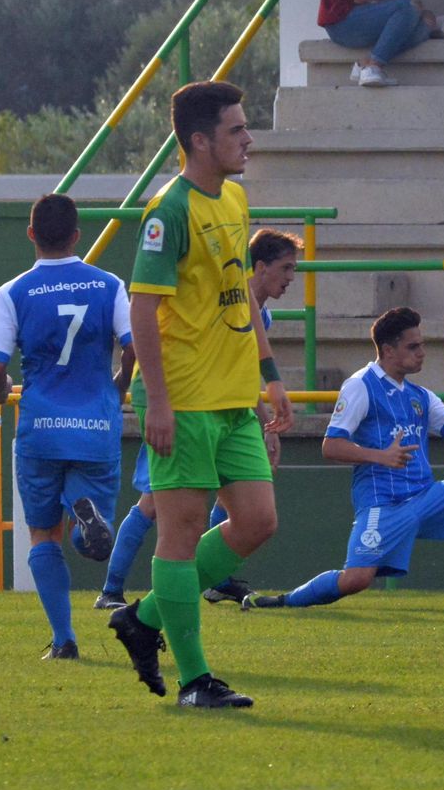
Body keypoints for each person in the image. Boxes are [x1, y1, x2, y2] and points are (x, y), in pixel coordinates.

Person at [105, 80, 293, 709]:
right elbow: (141, 311)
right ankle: (194, 681)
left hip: (234, 397)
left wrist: (268, 378)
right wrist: (156, 402)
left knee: (258, 521)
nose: (249, 139)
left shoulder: (234, 198)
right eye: (237, 129)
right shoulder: (169, 211)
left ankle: (143, 618)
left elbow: (238, 299)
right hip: (183, 399)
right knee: (180, 536)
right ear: (200, 141)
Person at [241, 307, 444, 612]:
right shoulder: (360, 386)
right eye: (413, 346)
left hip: (426, 497)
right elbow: (331, 446)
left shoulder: (419, 395)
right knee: (356, 579)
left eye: (421, 345)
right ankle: (280, 602)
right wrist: (380, 456)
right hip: (384, 503)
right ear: (388, 349)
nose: (422, 352)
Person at [96, 228, 303, 611]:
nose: (292, 277)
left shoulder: (262, 316)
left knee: (236, 498)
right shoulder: (220, 298)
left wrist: (264, 423)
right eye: (287, 268)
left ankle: (214, 582)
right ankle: (112, 590)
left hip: (226, 410)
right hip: (186, 406)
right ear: (260, 267)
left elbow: (242, 371)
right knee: (154, 504)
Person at [0, 192, 134, 660]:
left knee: (43, 534)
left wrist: (2, 388)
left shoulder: (13, 292)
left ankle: (64, 640)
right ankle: (85, 518)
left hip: (41, 428)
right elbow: (135, 344)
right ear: (77, 236)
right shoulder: (109, 285)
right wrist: (121, 382)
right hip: (95, 425)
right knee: (92, 539)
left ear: (31, 234)